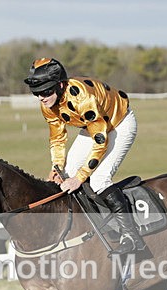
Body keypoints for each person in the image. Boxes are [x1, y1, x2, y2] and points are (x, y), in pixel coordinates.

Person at [23, 57, 144, 254]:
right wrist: (56, 167)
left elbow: (100, 141)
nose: (41, 98)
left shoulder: (83, 98)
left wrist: (80, 178)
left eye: (45, 91)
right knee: (64, 176)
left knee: (98, 179)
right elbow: (57, 138)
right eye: (36, 93)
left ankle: (131, 235)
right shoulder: (47, 103)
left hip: (119, 124)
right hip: (93, 126)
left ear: (60, 85)